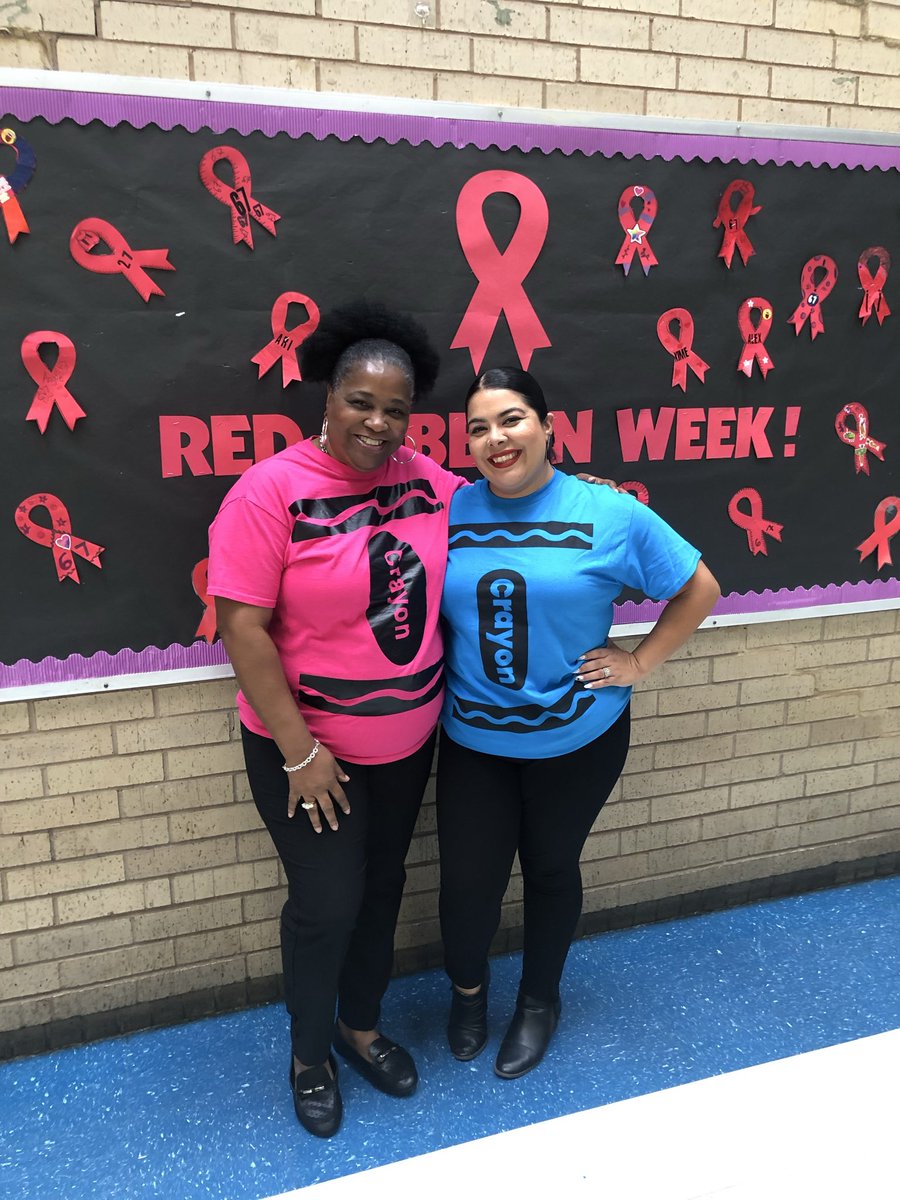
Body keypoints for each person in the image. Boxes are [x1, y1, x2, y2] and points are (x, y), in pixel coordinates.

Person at [206, 301, 465, 1138]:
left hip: (407, 746)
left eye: (396, 409)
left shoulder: (428, 480)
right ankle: (309, 1055)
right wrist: (299, 752)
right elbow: (242, 628)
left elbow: (507, 509)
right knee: (327, 904)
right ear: (328, 394)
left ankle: (360, 1026)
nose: (378, 423)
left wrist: (583, 494)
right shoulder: (269, 492)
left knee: (383, 889)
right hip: (308, 755)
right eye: (361, 401)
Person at [436, 366, 720, 1079]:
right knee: (468, 882)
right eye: (478, 428)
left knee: (551, 868)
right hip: (474, 740)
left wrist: (640, 661)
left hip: (578, 737)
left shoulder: (608, 511)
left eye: (511, 419)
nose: (495, 438)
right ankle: (468, 996)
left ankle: (539, 1001)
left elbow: (699, 587)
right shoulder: (449, 508)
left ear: (547, 426)